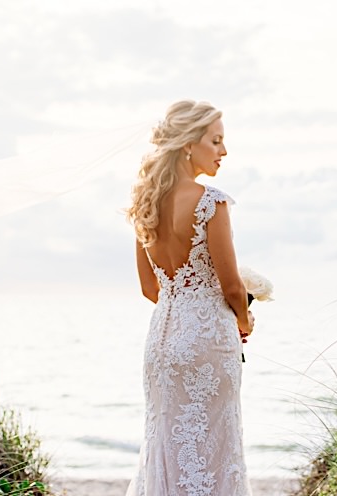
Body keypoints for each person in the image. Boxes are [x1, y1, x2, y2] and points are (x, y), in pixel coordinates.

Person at [125, 100, 252, 495]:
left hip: (162, 341)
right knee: (215, 447)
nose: (223, 152)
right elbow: (231, 287)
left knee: (165, 443)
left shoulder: (145, 205)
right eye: (216, 141)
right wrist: (244, 322)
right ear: (188, 144)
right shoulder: (210, 201)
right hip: (206, 341)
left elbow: (151, 289)